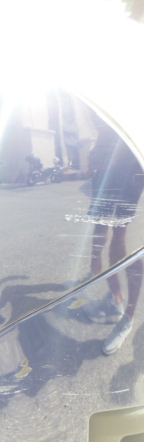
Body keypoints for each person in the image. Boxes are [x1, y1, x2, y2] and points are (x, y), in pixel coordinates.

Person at [84, 123, 144, 355]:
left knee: (122, 242)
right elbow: (104, 131)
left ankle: (128, 316)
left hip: (131, 167)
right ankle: (115, 295)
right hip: (108, 170)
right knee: (101, 228)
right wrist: (95, 156)